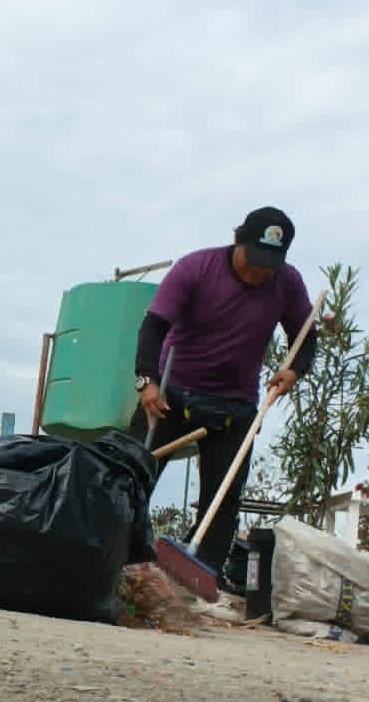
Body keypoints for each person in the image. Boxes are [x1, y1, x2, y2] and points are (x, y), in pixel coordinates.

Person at [129, 206, 317, 588]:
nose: (258, 273)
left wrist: (294, 370)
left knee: (223, 497)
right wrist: (147, 381)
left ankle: (202, 576)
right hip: (172, 395)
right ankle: (119, 556)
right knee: (130, 475)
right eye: (254, 261)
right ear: (237, 240)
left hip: (235, 405)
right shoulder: (196, 268)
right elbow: (153, 327)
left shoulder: (287, 282)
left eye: (269, 265)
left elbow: (306, 336)